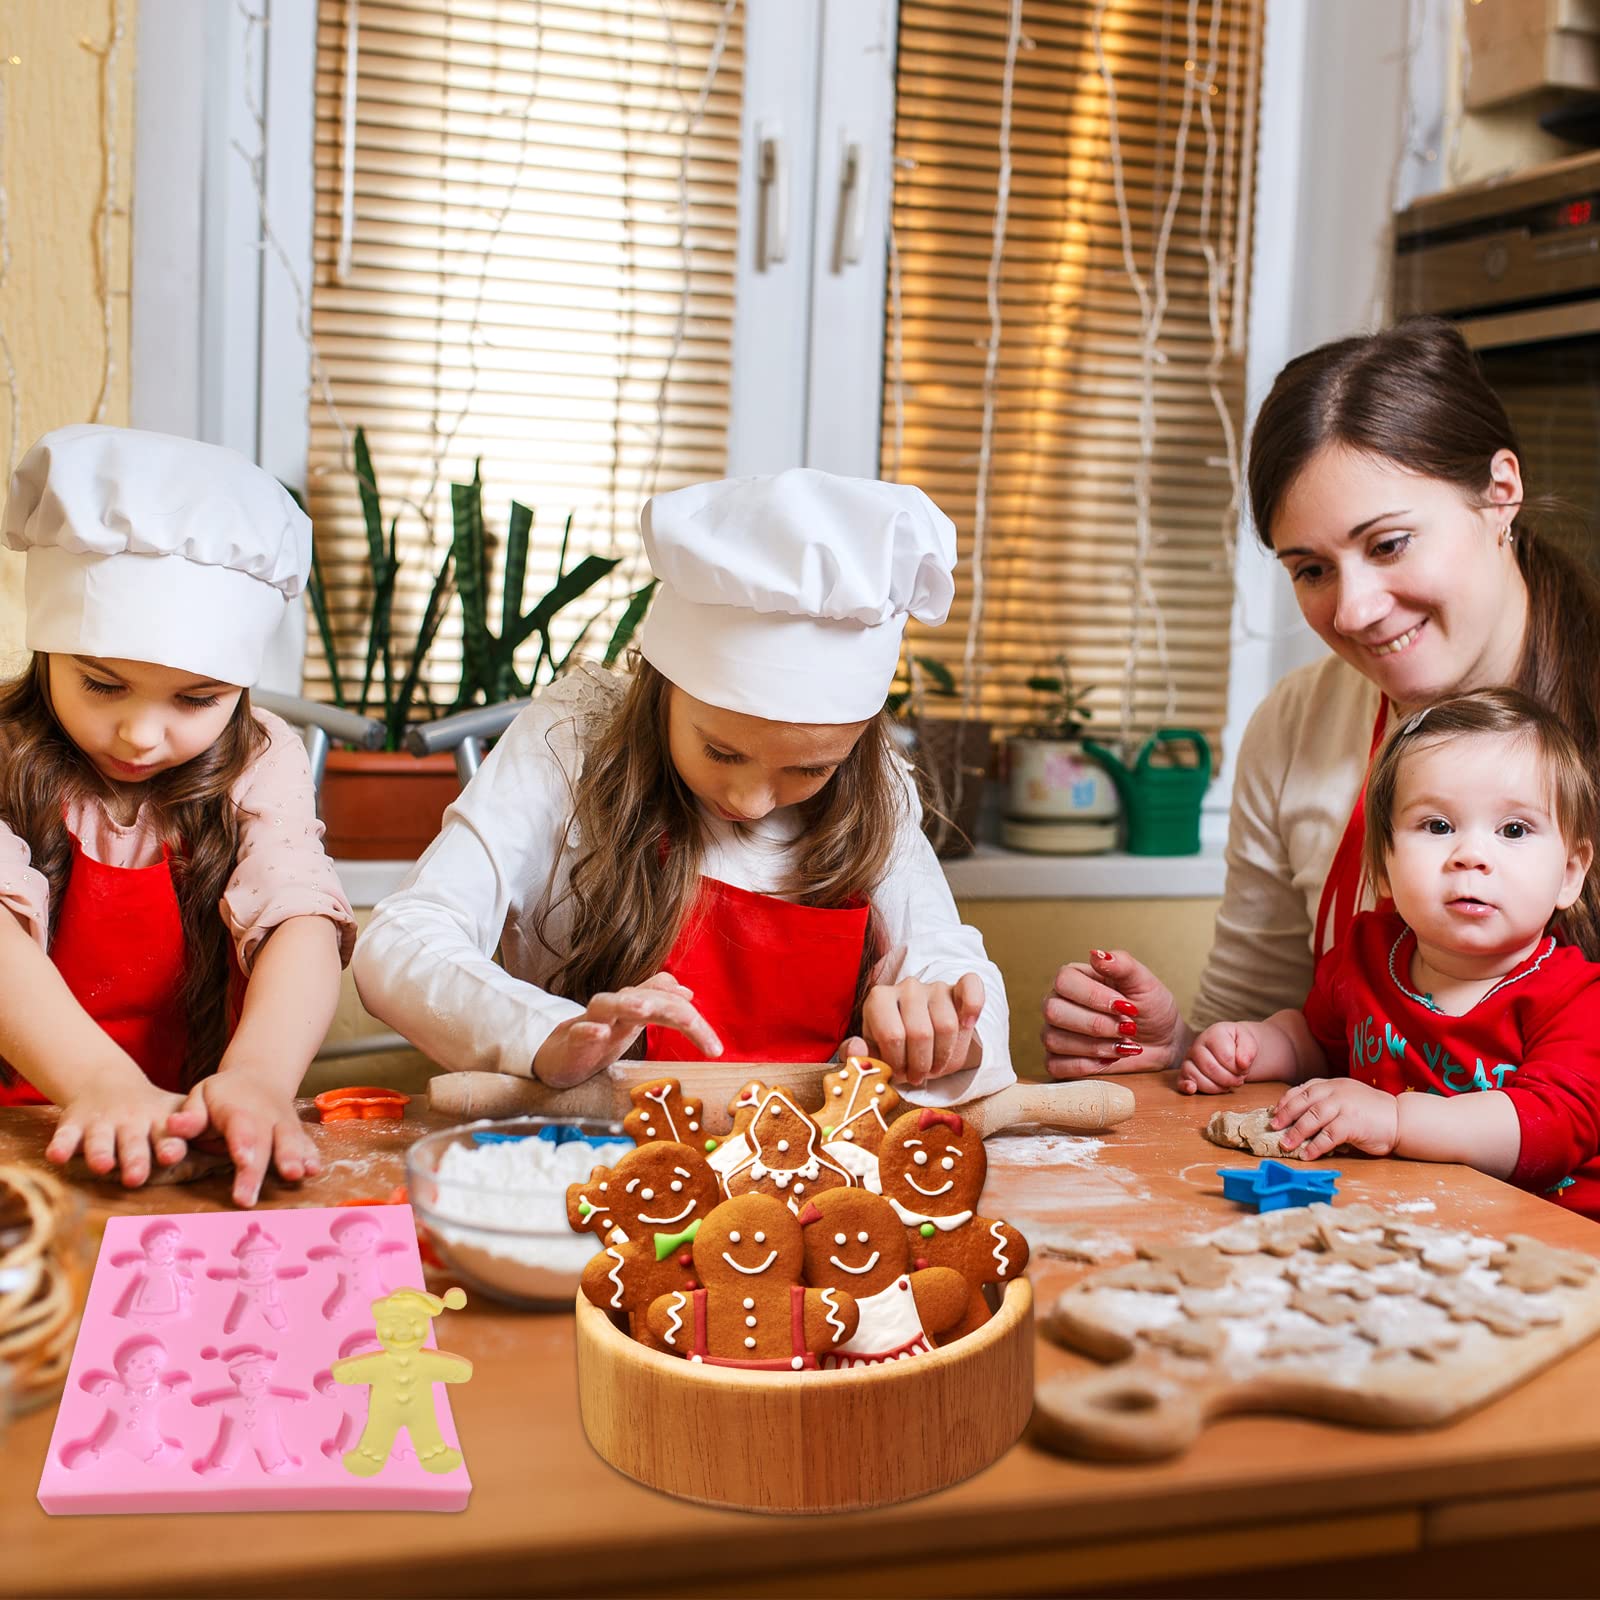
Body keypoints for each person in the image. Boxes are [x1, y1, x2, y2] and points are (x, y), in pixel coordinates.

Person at [1041, 317, 1600, 1081]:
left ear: (1501, 494)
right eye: (1311, 570)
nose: (1353, 611)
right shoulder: (1296, 726)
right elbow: (1256, 1029)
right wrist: (1182, 1051)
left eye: (1388, 544)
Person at [354, 468, 1011, 1102]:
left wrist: (945, 1022)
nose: (750, 802)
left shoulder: (876, 787)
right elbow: (402, 941)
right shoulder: (571, 743)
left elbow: (944, 956)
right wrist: (546, 1031)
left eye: (810, 769)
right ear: (662, 688)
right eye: (721, 751)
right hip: (591, 1161)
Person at [0, 425, 356, 1205]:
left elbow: (299, 917)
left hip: (196, 1137)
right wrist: (97, 1081)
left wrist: (259, 1080)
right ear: (48, 650)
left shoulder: (261, 758)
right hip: (20, 1145)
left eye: (197, 700)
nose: (141, 733)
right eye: (102, 684)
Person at [1178, 690, 1600, 1216]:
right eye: (1437, 826)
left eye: (1514, 830)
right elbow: (1320, 1042)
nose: (1470, 855)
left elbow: (1547, 1128)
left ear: (1568, 875)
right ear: (1382, 865)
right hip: (1396, 1215)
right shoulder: (1366, 952)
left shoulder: (1577, 1000)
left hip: (1543, 1237)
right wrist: (1255, 1045)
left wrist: (1396, 1120)